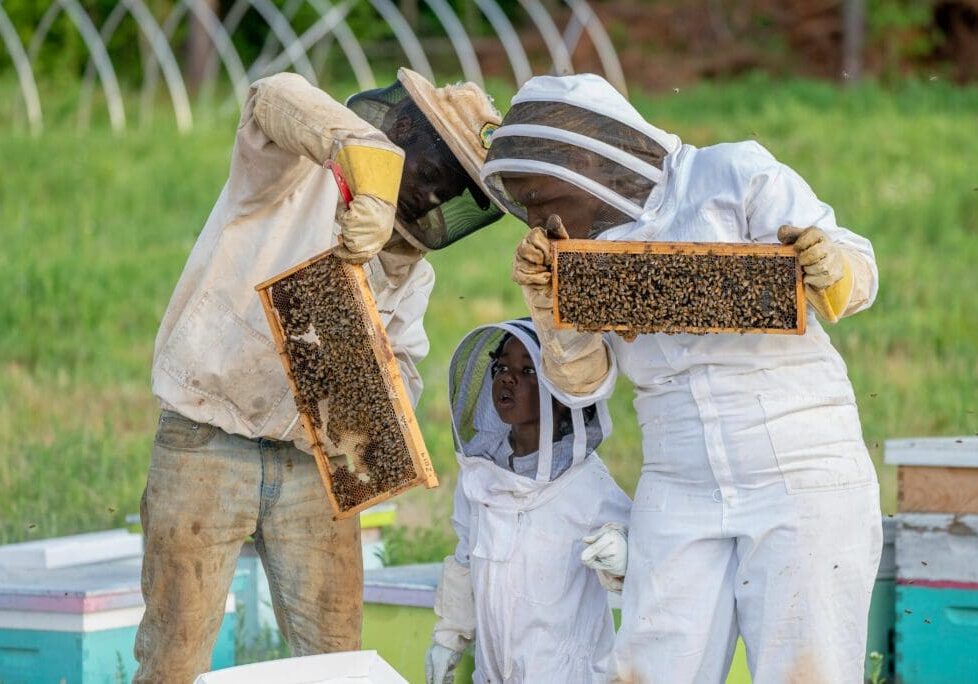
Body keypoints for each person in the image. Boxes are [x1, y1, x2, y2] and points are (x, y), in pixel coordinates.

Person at [481, 74, 882, 683]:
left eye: (539, 198)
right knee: (652, 668)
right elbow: (585, 386)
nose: (536, 219)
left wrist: (830, 266)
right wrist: (550, 308)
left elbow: (860, 273)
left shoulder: (728, 175)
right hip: (678, 476)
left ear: (587, 163)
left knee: (808, 669)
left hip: (798, 459)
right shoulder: (581, 254)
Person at [136, 69, 503, 682]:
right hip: (206, 440)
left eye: (452, 188)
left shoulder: (412, 274)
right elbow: (271, 94)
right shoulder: (288, 176)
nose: (436, 194)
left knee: (338, 664)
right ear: (405, 131)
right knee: (173, 660)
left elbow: (402, 378)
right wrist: (373, 177)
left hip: (315, 472)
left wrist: (373, 393)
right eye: (436, 172)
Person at [424, 319, 632, 684]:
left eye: (527, 370)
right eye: (501, 367)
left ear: (564, 394)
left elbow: (647, 564)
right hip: (492, 675)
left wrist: (625, 555)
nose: (508, 378)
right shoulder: (480, 476)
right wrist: (448, 638)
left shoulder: (587, 484)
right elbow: (465, 559)